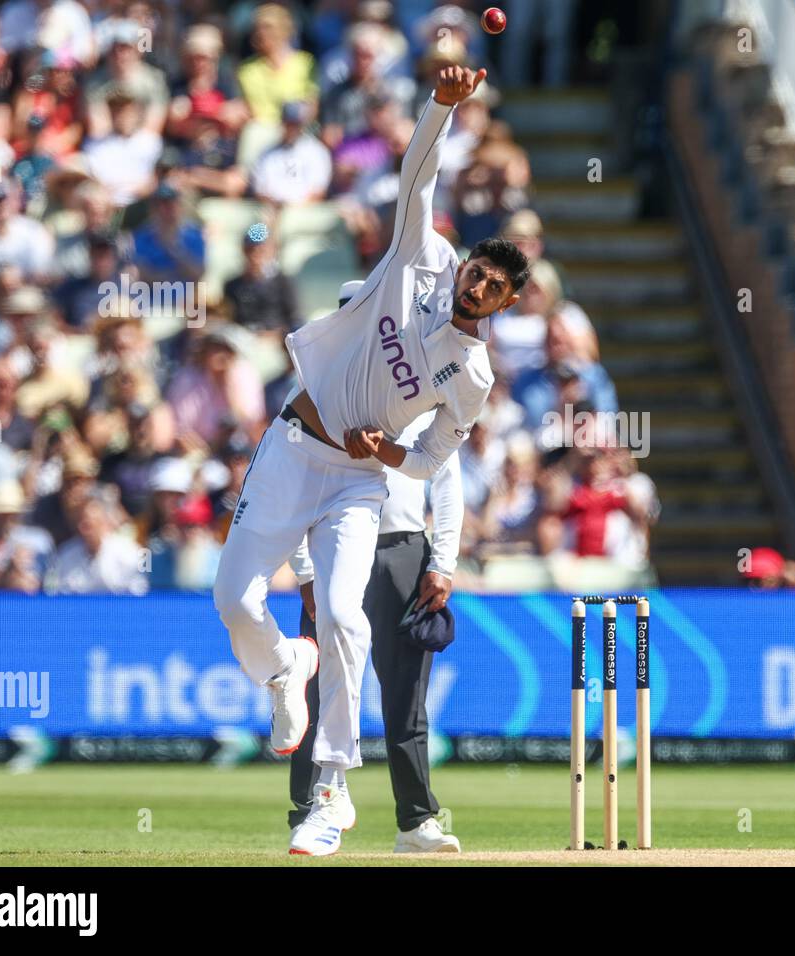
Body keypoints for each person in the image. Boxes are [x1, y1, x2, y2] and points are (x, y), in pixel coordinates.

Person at [212, 65, 527, 857]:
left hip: (356, 484)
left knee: (348, 621)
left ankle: (329, 795)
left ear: (504, 304)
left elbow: (434, 460)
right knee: (233, 600)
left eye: (495, 285)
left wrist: (392, 453)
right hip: (291, 448)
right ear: (464, 267)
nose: (480, 283)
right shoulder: (417, 261)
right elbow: (417, 175)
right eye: (479, 270)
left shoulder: (475, 377)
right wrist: (441, 107)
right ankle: (285, 670)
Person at [286, 282, 464, 853]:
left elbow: (448, 484)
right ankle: (310, 811)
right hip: (331, 551)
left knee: (404, 691)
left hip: (400, 550)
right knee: (320, 693)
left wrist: (443, 562)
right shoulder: (309, 392)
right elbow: (284, 491)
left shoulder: (417, 391)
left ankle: (416, 822)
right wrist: (306, 572)